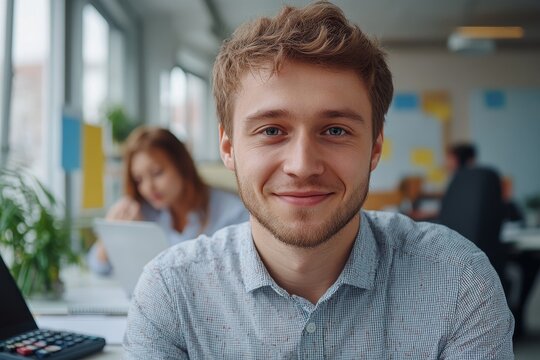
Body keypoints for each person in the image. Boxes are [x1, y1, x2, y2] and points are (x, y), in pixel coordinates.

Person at [124, 2, 514, 358]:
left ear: (375, 147)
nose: (302, 165)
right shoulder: (171, 293)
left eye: (336, 131)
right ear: (228, 147)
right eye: (272, 131)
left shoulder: (457, 282)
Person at [87, 126, 249, 275]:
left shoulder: (232, 212)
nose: (148, 188)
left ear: (181, 165)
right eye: (138, 180)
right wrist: (113, 232)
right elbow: (98, 266)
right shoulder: (143, 212)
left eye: (157, 173)